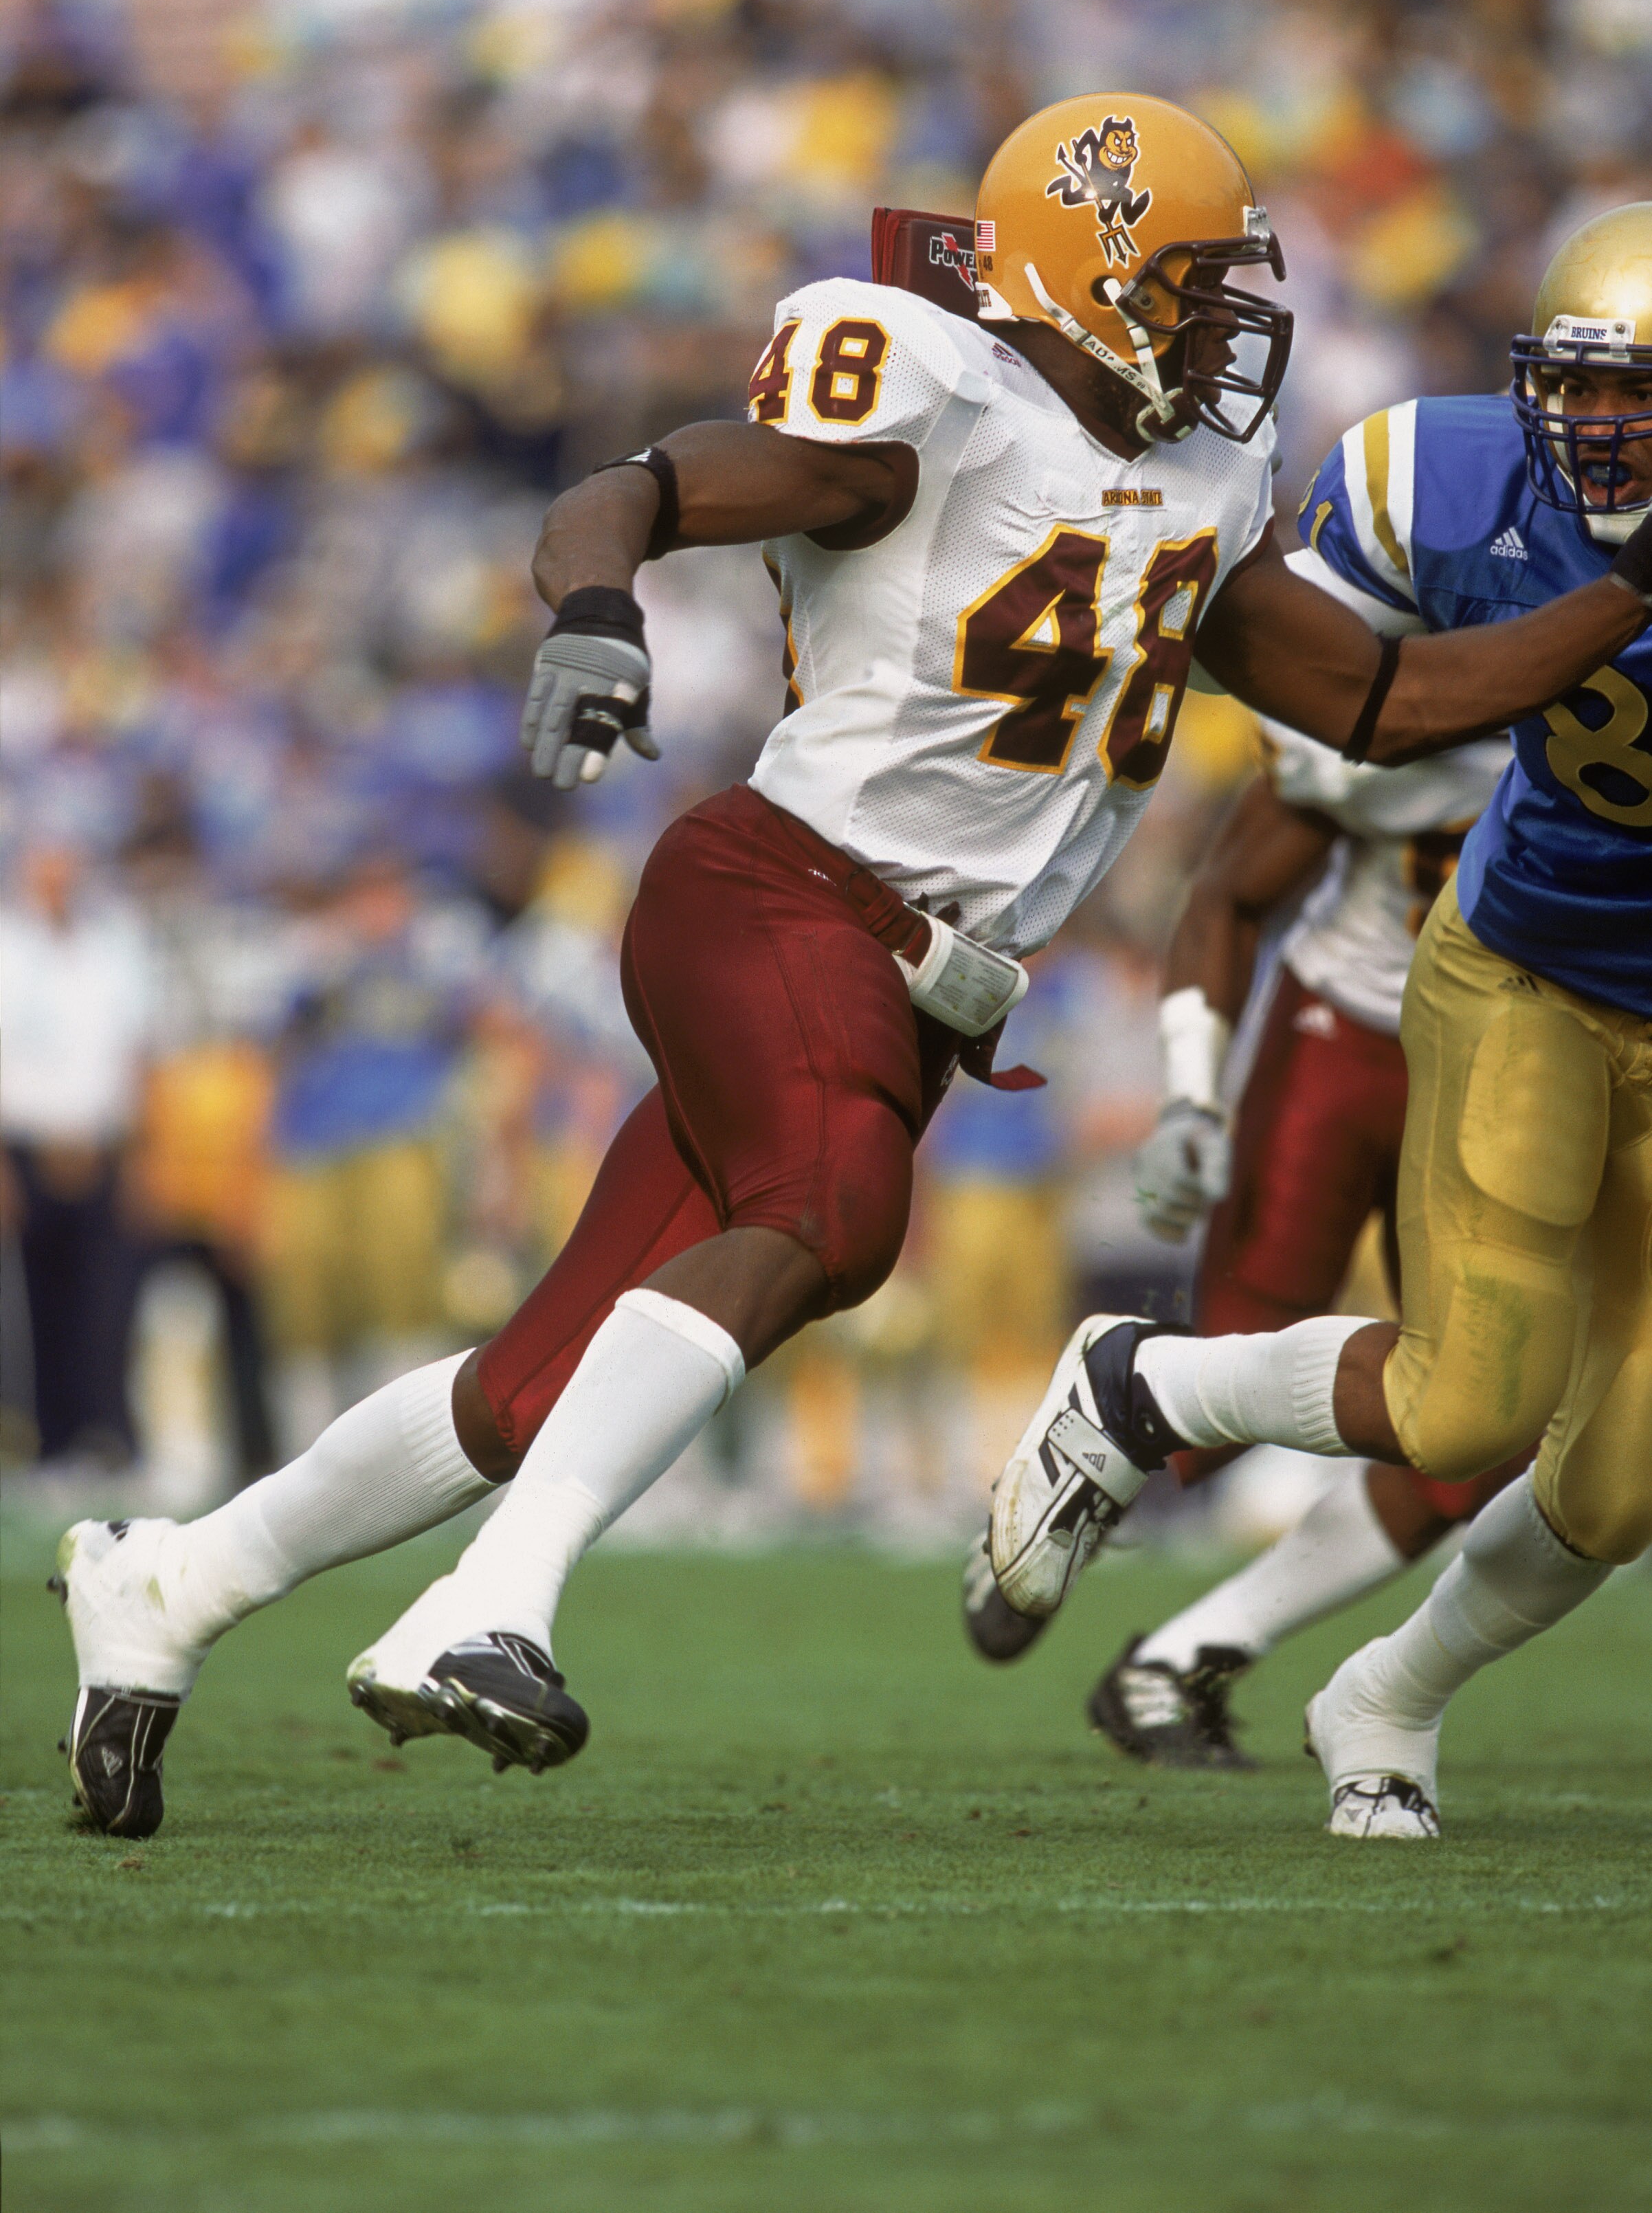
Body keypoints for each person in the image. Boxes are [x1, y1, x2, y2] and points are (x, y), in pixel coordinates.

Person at [50, 104, 1651, 1839]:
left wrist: (1620, 589)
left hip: (909, 977)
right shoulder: (934, 396)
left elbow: (1381, 700)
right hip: (779, 892)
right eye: (1190, 288)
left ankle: (174, 1582)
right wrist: (596, 609)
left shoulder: (1206, 475)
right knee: (832, 1207)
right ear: (1091, 276)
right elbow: (641, 487)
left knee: (531, 1386)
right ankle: (487, 1606)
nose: (1223, 327)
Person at [978, 202, 1652, 1836]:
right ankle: (1145, 1388)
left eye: (1645, 397)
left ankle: (1385, 1695)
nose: (1603, 429)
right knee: (1464, 1401)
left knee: (1619, 1475)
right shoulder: (1444, 474)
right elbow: (1283, 672)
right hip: (1533, 974)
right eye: (1582, 386)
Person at [985, 711, 1530, 1766]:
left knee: (1480, 1430)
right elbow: (1232, 889)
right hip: (1344, 1040)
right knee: (1217, 1401)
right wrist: (1192, 1097)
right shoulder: (1427, 630)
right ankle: (1045, 1485)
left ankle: (1186, 1650)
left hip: (1509, 1075)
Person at [1, 843, 156, 1468]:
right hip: (27, 1147)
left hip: (104, 1146)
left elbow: (138, 1050)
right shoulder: (9, 947)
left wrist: (144, 1151)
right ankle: (49, 1440)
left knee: (109, 1302)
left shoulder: (112, 944)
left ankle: (109, 1434)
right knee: (37, 1305)